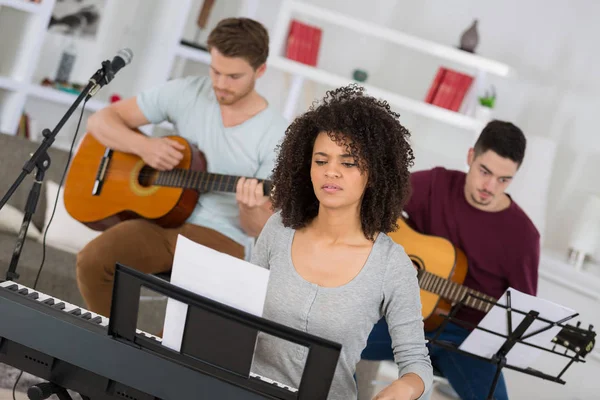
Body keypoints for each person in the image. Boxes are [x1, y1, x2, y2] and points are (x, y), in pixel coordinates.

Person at [76, 17, 288, 318]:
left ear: (260, 71)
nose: (220, 84)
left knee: (195, 327)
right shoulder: (188, 91)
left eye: (234, 76)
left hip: (221, 235)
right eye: (215, 71)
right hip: (160, 221)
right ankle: (119, 351)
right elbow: (100, 121)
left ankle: (154, 363)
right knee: (93, 262)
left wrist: (249, 206)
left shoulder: (279, 135)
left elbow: (256, 229)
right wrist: (145, 147)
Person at [249, 84, 433, 400]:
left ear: (374, 174)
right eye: (321, 161)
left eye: (348, 163)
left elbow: (417, 361)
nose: (331, 172)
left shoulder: (392, 265)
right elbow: (238, 309)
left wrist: (404, 387)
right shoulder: (279, 229)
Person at [357, 120, 540, 400]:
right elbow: (372, 199)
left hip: (466, 340)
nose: (490, 187)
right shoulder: (436, 184)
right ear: (470, 157)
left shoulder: (524, 236)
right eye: (484, 171)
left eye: (504, 180)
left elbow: (523, 314)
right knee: (333, 339)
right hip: (403, 318)